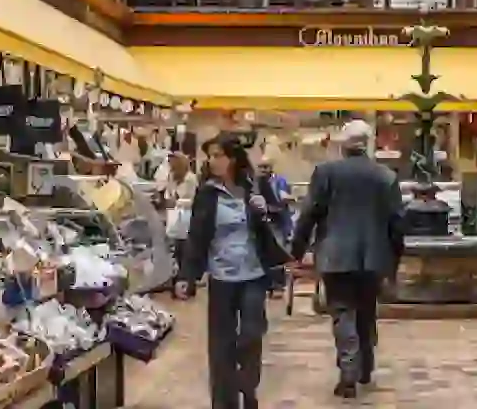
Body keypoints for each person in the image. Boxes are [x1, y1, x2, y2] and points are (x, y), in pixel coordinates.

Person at [173, 134, 290, 409]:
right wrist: (186, 276)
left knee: (251, 335)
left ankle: (247, 387)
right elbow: (197, 237)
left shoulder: (255, 186)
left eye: (218, 155)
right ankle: (224, 402)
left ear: (233, 158)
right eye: (210, 156)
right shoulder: (207, 193)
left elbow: (279, 217)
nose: (212, 161)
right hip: (221, 278)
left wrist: (267, 209)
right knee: (221, 344)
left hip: (253, 275)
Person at [291, 120, 403, 399]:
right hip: (374, 257)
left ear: (343, 144)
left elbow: (309, 214)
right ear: (368, 143)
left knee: (342, 311)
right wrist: (394, 260)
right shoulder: (385, 176)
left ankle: (349, 372)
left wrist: (296, 250)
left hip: (335, 255)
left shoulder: (326, 173)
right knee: (366, 310)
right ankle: (365, 366)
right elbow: (397, 223)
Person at [256, 158, 292, 298]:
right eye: (261, 167)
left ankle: (278, 285)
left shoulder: (279, 181)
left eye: (266, 167)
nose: (263, 170)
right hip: (263, 220)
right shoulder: (256, 182)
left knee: (277, 250)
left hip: (278, 218)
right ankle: (267, 284)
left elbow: (283, 197)